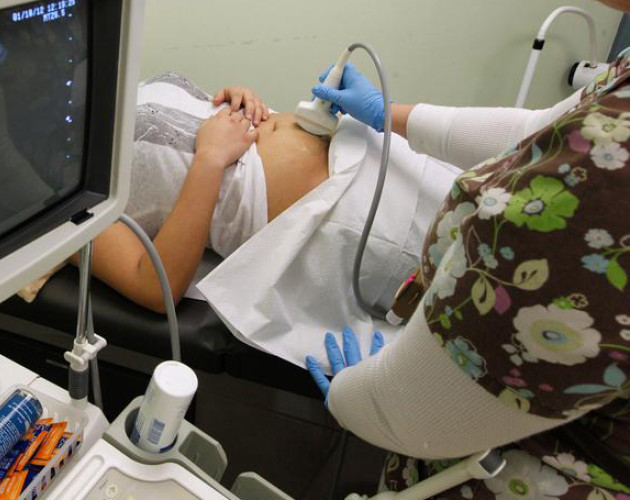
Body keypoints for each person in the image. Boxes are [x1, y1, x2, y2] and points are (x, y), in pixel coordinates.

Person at [305, 5, 630, 500]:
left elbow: (415, 418)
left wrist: (356, 398)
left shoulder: (604, 189)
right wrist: (387, 114)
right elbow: (546, 129)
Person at [87, 72, 334, 312]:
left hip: (345, 146)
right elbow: (153, 288)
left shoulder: (108, 85)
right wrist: (210, 159)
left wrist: (233, 105)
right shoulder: (70, 196)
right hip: (331, 221)